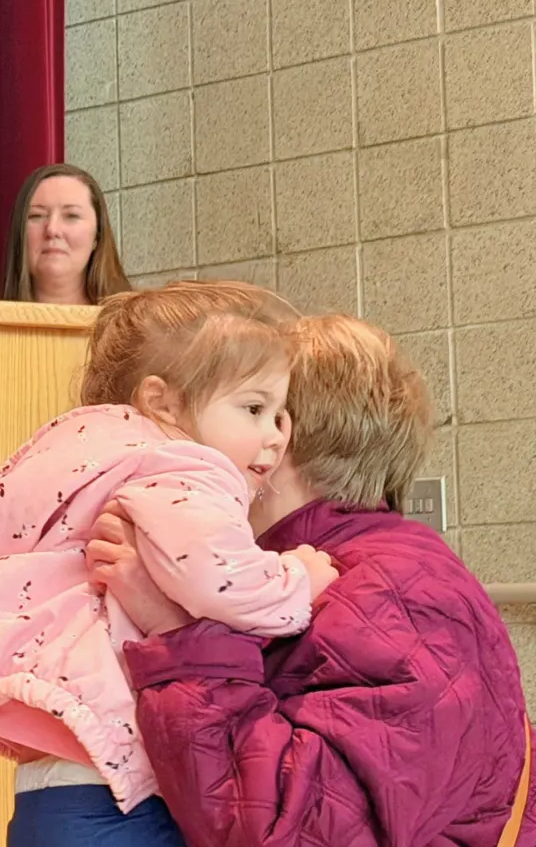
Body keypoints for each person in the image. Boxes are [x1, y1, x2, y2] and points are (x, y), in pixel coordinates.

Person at [87, 313, 534, 846]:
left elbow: (294, 833)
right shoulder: (331, 574)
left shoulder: (393, 593)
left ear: (278, 440)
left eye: (252, 409)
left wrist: (174, 637)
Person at [0, 280, 338, 846]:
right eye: (253, 408)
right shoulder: (189, 469)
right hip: (122, 782)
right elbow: (219, 581)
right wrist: (298, 579)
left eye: (279, 415)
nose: (273, 438)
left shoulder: (85, 456)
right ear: (163, 402)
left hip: (56, 773)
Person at [0, 163, 130, 305]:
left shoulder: (139, 325)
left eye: (71, 216)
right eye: (37, 215)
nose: (52, 230)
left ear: (97, 236)